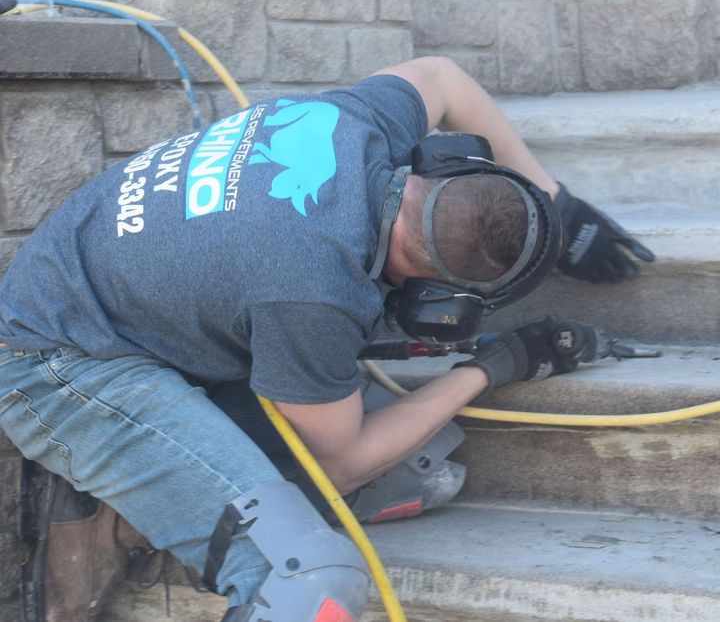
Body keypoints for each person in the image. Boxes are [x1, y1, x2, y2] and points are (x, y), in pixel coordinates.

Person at [0, 57, 653, 621]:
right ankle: (127, 505)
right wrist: (496, 365)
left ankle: (146, 494)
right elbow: (337, 462)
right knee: (311, 580)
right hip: (60, 366)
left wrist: (553, 202)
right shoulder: (313, 290)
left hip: (97, 281)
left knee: (417, 474)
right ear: (439, 302)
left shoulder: (361, 125)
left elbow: (442, 76)